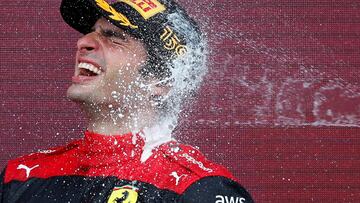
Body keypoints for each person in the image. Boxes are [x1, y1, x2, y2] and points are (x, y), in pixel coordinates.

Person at [0, 0, 254, 202]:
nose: (83, 42)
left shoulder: (198, 189)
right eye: (91, 32)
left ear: (160, 81)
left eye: (113, 36)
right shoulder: (19, 176)